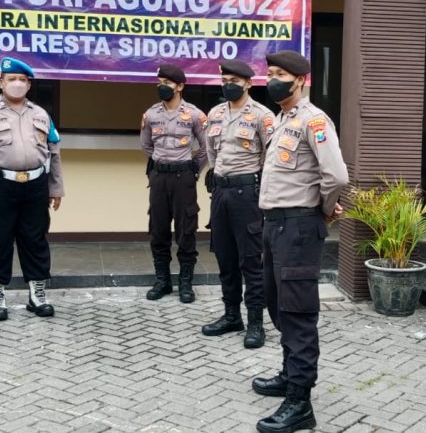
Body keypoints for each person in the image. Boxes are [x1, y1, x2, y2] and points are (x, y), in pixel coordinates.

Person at [251, 51, 349, 433]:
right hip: (274, 226)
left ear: (301, 80)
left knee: (297, 314)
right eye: (270, 73)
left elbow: (337, 177)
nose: (272, 79)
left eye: (281, 74)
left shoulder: (314, 120)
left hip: (298, 227)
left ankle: (300, 403)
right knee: (277, 305)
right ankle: (288, 374)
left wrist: (322, 210)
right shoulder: (280, 120)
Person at [0, 57, 64, 321]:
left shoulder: (41, 114)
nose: (17, 84)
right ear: (1, 82)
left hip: (36, 185)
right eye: (12, 79)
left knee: (36, 239)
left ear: (29, 84)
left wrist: (56, 187)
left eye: (22, 80)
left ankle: (37, 294)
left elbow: (53, 151)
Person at [201, 60, 273, 348]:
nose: (227, 84)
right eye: (224, 79)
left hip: (248, 194)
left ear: (248, 83)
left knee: (251, 262)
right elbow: (211, 151)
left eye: (234, 80)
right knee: (225, 258)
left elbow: (271, 158)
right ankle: (232, 315)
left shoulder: (262, 115)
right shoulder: (215, 113)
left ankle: (256, 322)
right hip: (221, 193)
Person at [139, 64, 208, 303]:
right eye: (160, 82)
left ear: (180, 86)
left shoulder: (196, 115)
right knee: (158, 229)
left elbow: (206, 147)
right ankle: (163, 281)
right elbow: (146, 145)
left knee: (186, 230)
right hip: (159, 177)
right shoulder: (150, 114)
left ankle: (185, 283)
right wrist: (160, 163)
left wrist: (193, 169)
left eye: (167, 83)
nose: (162, 87)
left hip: (183, 179)